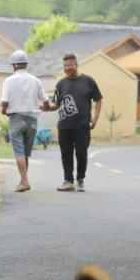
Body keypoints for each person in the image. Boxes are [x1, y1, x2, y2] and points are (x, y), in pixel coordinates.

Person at [44, 53, 102, 192]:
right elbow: (56, 105)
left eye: (69, 65)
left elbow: (98, 99)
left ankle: (80, 179)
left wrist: (95, 118)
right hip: (64, 126)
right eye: (65, 66)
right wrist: (47, 108)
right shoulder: (60, 84)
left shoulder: (88, 81)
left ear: (76, 65)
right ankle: (68, 180)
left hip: (82, 126)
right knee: (66, 154)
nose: (67, 68)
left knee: (81, 154)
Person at [0, 49, 49, 192]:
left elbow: (4, 101)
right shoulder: (36, 80)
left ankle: (25, 181)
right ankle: (23, 180)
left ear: (14, 65)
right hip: (32, 120)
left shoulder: (9, 80)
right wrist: (45, 107)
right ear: (26, 64)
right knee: (26, 153)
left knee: (19, 152)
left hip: (16, 118)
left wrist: (4, 110)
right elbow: (45, 100)